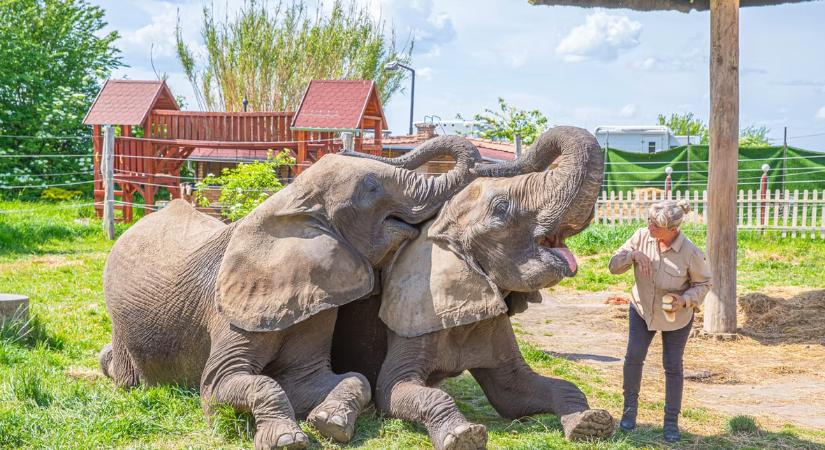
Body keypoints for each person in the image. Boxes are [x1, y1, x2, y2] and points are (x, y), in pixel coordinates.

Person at [608, 199, 712, 443]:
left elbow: (705, 283)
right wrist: (632, 255)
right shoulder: (641, 236)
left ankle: (671, 424)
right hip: (642, 309)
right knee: (634, 356)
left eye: (655, 225)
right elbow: (613, 266)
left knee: (672, 365)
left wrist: (685, 299)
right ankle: (629, 413)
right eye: (649, 221)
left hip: (676, 317)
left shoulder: (691, 253)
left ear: (673, 229)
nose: (649, 227)